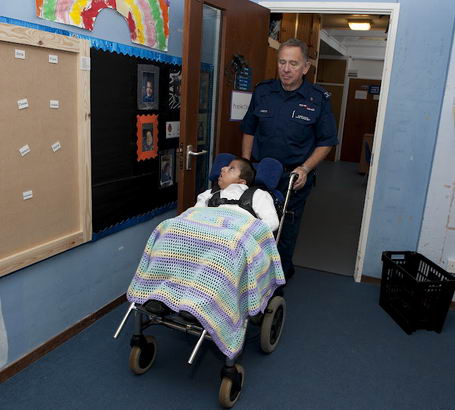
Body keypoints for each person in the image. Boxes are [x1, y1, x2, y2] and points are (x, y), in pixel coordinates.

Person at [240, 38, 338, 280]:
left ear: (305, 67)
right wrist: (244, 166)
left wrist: (305, 169)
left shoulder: (318, 99)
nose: (286, 69)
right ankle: (253, 275)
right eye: (282, 62)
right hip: (260, 173)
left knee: (285, 230)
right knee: (253, 224)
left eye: (293, 63)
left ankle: (277, 279)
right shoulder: (263, 91)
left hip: (293, 177)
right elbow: (249, 129)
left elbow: (326, 141)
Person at [195, 157, 279, 232]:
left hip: (242, 239)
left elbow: (272, 222)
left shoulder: (258, 194)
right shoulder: (209, 194)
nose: (223, 168)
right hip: (209, 235)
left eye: (231, 168)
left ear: (242, 182)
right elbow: (194, 216)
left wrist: (245, 231)